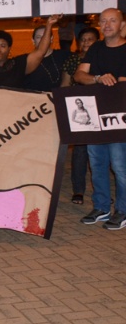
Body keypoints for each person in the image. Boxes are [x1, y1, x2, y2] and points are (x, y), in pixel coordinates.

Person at [73, 8, 126, 229]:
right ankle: (102, 207)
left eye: (112, 20)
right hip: (95, 116)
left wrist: (112, 80)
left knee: (120, 165)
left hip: (120, 117)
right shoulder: (95, 48)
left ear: (122, 25)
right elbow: (79, 75)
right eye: (103, 21)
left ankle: (122, 210)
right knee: (97, 163)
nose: (107, 25)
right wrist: (97, 77)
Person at [0, 0, 59, 88]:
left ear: (9, 48)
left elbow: (41, 51)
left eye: (3, 45)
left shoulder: (19, 65)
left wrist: (49, 24)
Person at [61, 26, 100, 205]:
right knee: (80, 150)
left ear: (97, 41)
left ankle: (100, 190)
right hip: (77, 111)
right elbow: (65, 84)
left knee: (100, 152)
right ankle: (78, 190)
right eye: (83, 39)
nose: (85, 42)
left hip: (100, 109)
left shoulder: (102, 59)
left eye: (90, 39)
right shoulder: (73, 60)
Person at [24, 23, 70, 91]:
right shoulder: (26, 61)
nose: (43, 40)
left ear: (51, 39)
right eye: (39, 37)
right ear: (33, 41)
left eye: (45, 36)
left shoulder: (64, 56)